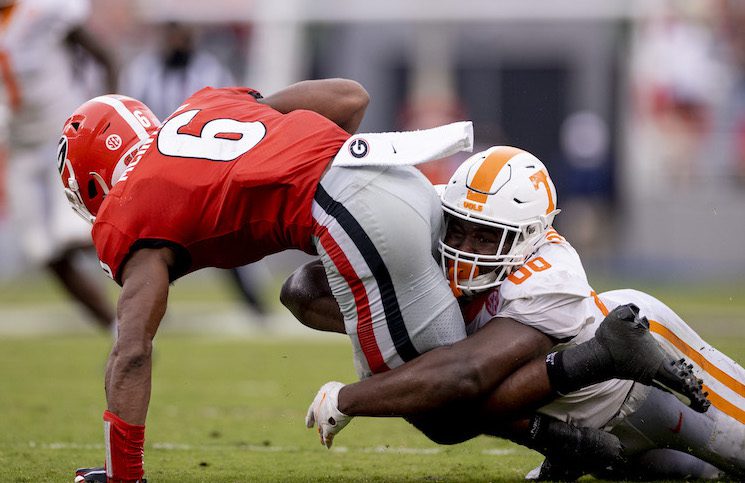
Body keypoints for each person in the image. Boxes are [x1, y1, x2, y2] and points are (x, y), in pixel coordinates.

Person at [61, 77, 494, 483]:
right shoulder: (207, 105)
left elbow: (133, 350)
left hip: (356, 214)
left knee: (439, 402)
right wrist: (278, 137)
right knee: (302, 293)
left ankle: (555, 427)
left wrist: (123, 473)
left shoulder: (128, 208)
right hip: (402, 176)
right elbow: (351, 98)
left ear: (94, 182)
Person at [300, 146, 744, 480]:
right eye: (458, 229)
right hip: (582, 418)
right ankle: (569, 444)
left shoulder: (549, 275)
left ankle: (602, 368)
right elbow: (302, 290)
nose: (464, 251)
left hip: (642, 384)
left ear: (531, 235)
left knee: (439, 392)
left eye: (486, 238)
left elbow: (465, 377)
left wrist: (348, 399)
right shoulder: (428, 223)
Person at [119, 21, 269, 319]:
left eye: (183, 35)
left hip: (205, 169)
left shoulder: (210, 71)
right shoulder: (142, 72)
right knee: (149, 246)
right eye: (173, 35)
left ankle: (254, 305)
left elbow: (233, 115)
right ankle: (148, 309)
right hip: (157, 170)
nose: (178, 41)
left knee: (226, 238)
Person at [0, 0, 116, 329]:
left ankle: (154, 256)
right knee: (42, 251)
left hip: (63, 140)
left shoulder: (45, 9)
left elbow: (105, 56)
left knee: (72, 235)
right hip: (20, 148)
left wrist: (109, 112)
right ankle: (116, 330)